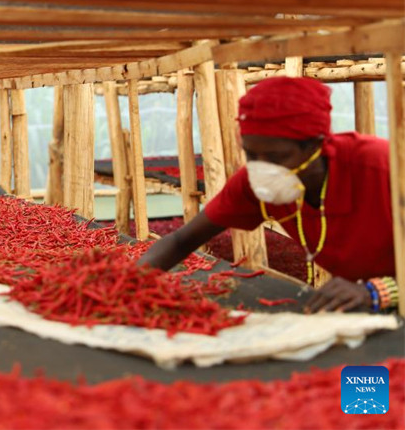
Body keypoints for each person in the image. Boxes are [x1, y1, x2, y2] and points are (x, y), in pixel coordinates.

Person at [138, 76, 398, 313]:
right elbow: (181, 241)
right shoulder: (254, 182)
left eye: (276, 157)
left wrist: (378, 291)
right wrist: (128, 281)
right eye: (251, 154)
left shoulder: (383, 166)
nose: (262, 167)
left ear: (316, 145)